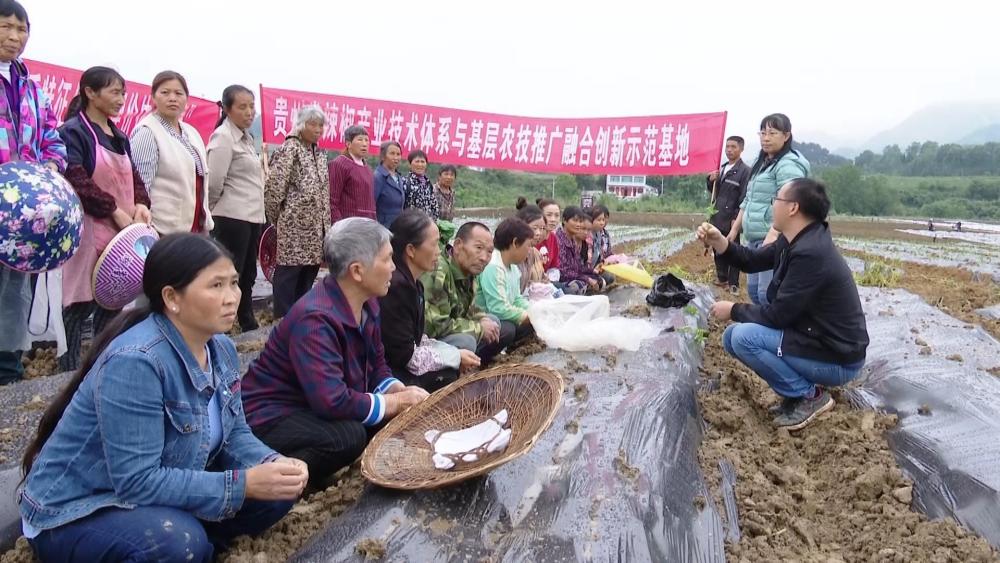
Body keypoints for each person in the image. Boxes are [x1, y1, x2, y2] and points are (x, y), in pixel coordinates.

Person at [18, 234, 306, 562]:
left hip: (150, 498)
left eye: (234, 283)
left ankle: (190, 541)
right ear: (172, 297)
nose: (232, 298)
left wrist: (272, 463)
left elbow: (235, 434)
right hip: (79, 508)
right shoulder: (137, 362)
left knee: (278, 492)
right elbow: (136, 481)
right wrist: (241, 485)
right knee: (179, 542)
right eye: (216, 286)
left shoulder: (220, 348)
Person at [241, 218, 429, 485]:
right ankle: (288, 480)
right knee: (348, 437)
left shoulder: (368, 304)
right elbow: (332, 401)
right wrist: (395, 403)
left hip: (313, 405)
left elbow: (377, 365)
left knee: (389, 414)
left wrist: (396, 390)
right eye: (387, 259)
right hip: (272, 416)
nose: (393, 268)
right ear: (357, 271)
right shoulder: (316, 320)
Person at [698, 178, 869, 431]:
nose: (772, 206)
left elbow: (778, 316)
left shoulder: (811, 253)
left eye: (776, 200)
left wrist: (733, 310)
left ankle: (810, 396)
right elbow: (753, 260)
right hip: (815, 341)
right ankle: (795, 393)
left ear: (793, 208)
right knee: (732, 336)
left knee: (744, 337)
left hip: (836, 358)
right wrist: (720, 242)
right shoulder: (795, 240)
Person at [57, 66, 152, 372]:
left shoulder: (118, 135)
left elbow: (135, 177)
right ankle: (67, 371)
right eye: (114, 92)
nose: (121, 98)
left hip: (121, 231)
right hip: (88, 228)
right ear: (90, 92)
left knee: (111, 300)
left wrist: (141, 204)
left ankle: (102, 366)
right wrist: (113, 209)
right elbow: (76, 178)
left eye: (122, 92)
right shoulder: (73, 132)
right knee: (79, 301)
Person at [0, 0, 68, 385]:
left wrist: (52, 167)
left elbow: (52, 138)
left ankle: (9, 364)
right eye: (6, 27)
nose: (14, 37)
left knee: (15, 288)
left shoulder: (31, 88)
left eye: (21, 29)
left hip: (23, 214)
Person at [379, 210, 480, 392]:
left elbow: (417, 340)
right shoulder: (397, 287)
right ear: (411, 250)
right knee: (448, 373)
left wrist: (455, 355)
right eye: (434, 245)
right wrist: (455, 357)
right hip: (388, 372)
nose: (439, 251)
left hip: (402, 358)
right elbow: (407, 356)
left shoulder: (413, 282)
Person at [729, 114, 809, 306]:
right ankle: (760, 328)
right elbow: (749, 199)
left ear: (786, 136)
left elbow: (792, 202)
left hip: (773, 241)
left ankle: (771, 333)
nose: (766, 138)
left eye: (772, 133)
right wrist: (733, 231)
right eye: (762, 133)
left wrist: (773, 235)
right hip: (754, 238)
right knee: (754, 292)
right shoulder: (762, 161)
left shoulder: (789, 165)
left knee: (767, 294)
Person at [207, 85, 265, 332]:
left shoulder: (247, 138)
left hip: (252, 216)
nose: (249, 112)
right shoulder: (223, 137)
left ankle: (246, 317)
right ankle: (222, 322)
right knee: (231, 272)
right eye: (242, 107)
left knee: (249, 273)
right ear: (228, 109)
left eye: (252, 106)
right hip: (231, 216)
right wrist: (213, 210)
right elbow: (214, 181)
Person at [424, 221, 524, 364]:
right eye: (478, 248)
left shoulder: (470, 271)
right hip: (429, 339)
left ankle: (474, 362)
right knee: (467, 341)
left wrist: (481, 319)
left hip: (451, 327)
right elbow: (437, 325)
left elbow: (469, 308)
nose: (484, 257)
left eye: (489, 252)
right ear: (458, 246)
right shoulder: (438, 272)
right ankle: (453, 374)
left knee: (494, 322)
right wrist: (479, 328)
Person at [265, 105, 331, 318]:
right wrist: (279, 220)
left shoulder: (319, 153)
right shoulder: (290, 148)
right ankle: (282, 323)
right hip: (294, 226)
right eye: (313, 124)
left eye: (321, 125)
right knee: (288, 274)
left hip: (316, 228)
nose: (318, 129)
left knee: (309, 273)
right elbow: (275, 189)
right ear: (301, 125)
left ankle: (301, 320)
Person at [131, 71, 213, 236]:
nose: (172, 98)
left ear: (186, 98)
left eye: (178, 93)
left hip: (194, 226)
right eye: (165, 92)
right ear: (153, 97)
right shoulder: (147, 132)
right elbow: (140, 186)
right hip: (161, 228)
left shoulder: (192, 133)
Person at [707, 136, 751, 294]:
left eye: (733, 147)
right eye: (727, 147)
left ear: (741, 149)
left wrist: (736, 219)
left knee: (733, 250)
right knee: (717, 247)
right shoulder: (722, 168)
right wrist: (711, 180)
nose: (729, 150)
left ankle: (733, 284)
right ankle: (722, 278)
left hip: (731, 218)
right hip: (717, 215)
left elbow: (744, 196)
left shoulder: (745, 171)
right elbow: (714, 192)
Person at [475, 218, 536, 332]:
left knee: (533, 323)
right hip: (484, 319)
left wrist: (534, 310)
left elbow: (517, 299)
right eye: (528, 246)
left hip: (500, 316)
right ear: (515, 243)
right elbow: (498, 308)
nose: (529, 251)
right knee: (508, 329)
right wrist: (527, 316)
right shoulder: (493, 266)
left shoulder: (513, 267)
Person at [328, 125, 375, 223]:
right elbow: (332, 201)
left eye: (367, 140)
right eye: (360, 140)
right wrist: (338, 226)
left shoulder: (368, 169)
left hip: (367, 226)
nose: (364, 144)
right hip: (347, 226)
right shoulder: (339, 164)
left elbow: (371, 203)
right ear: (348, 144)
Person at [556, 206, 605, 295]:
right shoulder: (558, 240)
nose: (578, 224)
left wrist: (592, 271)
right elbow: (563, 272)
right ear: (564, 220)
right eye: (575, 220)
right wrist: (586, 279)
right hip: (562, 280)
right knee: (577, 286)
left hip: (574, 277)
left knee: (600, 280)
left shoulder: (572, 241)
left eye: (580, 221)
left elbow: (578, 267)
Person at [514, 199, 549, 292]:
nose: (539, 233)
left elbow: (543, 278)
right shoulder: (512, 253)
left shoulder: (534, 252)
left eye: (542, 228)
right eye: (535, 228)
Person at [374, 141, 405, 228]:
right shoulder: (378, 177)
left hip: (397, 228)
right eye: (392, 153)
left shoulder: (398, 177)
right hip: (382, 228)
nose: (396, 157)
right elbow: (372, 205)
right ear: (383, 156)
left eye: (398, 154)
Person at [403, 150, 439, 219]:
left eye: (422, 162)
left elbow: (434, 206)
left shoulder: (428, 183)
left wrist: (433, 220)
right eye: (417, 161)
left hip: (427, 225)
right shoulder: (405, 182)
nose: (420, 164)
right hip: (411, 225)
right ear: (410, 164)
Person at [586, 204, 616, 287]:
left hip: (596, 268)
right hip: (586, 271)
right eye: (599, 220)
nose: (602, 222)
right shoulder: (587, 236)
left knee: (610, 277)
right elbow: (586, 260)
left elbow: (602, 254)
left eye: (603, 219)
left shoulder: (599, 234)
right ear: (590, 220)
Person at [535, 198, 561, 275]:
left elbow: (554, 267)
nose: (553, 219)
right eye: (549, 215)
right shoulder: (533, 238)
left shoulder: (553, 238)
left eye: (557, 215)